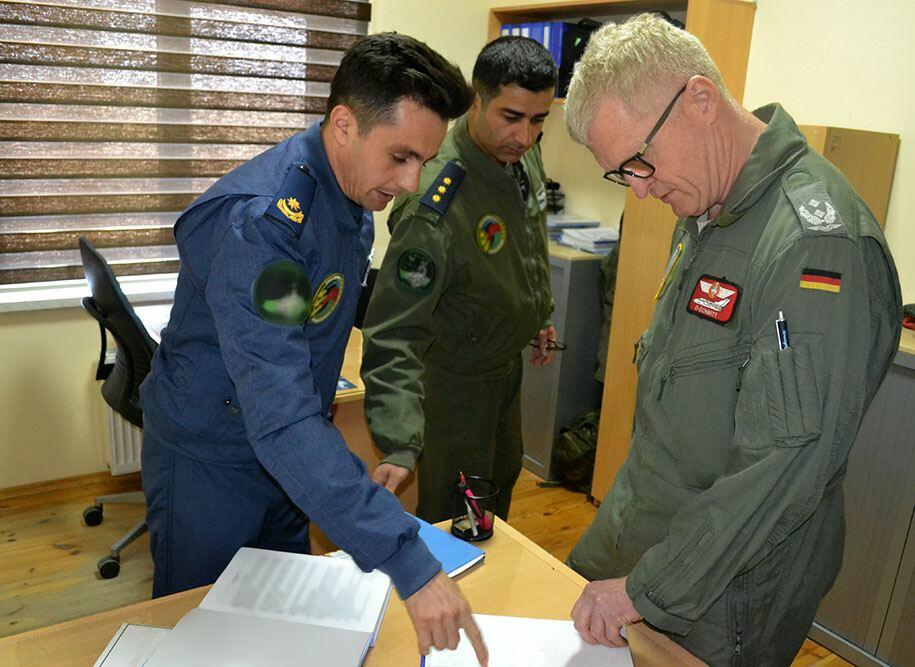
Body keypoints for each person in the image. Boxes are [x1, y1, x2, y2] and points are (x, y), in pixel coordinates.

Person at [561, 14, 901, 666]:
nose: (639, 189)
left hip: (721, 594)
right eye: (621, 174)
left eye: (639, 161)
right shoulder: (706, 204)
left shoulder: (814, 245)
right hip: (644, 543)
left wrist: (646, 588)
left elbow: (782, 469)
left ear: (698, 99)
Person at [139, 33, 488, 664]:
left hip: (287, 458)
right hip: (211, 463)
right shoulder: (264, 227)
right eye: (401, 157)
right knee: (202, 640)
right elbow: (282, 413)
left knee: (282, 634)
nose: (411, 182)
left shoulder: (348, 192)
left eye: (424, 161)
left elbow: (318, 326)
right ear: (345, 125)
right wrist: (408, 560)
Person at [360, 36, 558, 523]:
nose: (525, 136)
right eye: (511, 117)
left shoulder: (519, 155)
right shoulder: (434, 206)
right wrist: (400, 440)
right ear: (476, 101)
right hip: (454, 387)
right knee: (458, 514)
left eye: (538, 120)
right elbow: (392, 330)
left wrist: (538, 313)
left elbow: (524, 237)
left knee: (498, 489)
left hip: (504, 370)